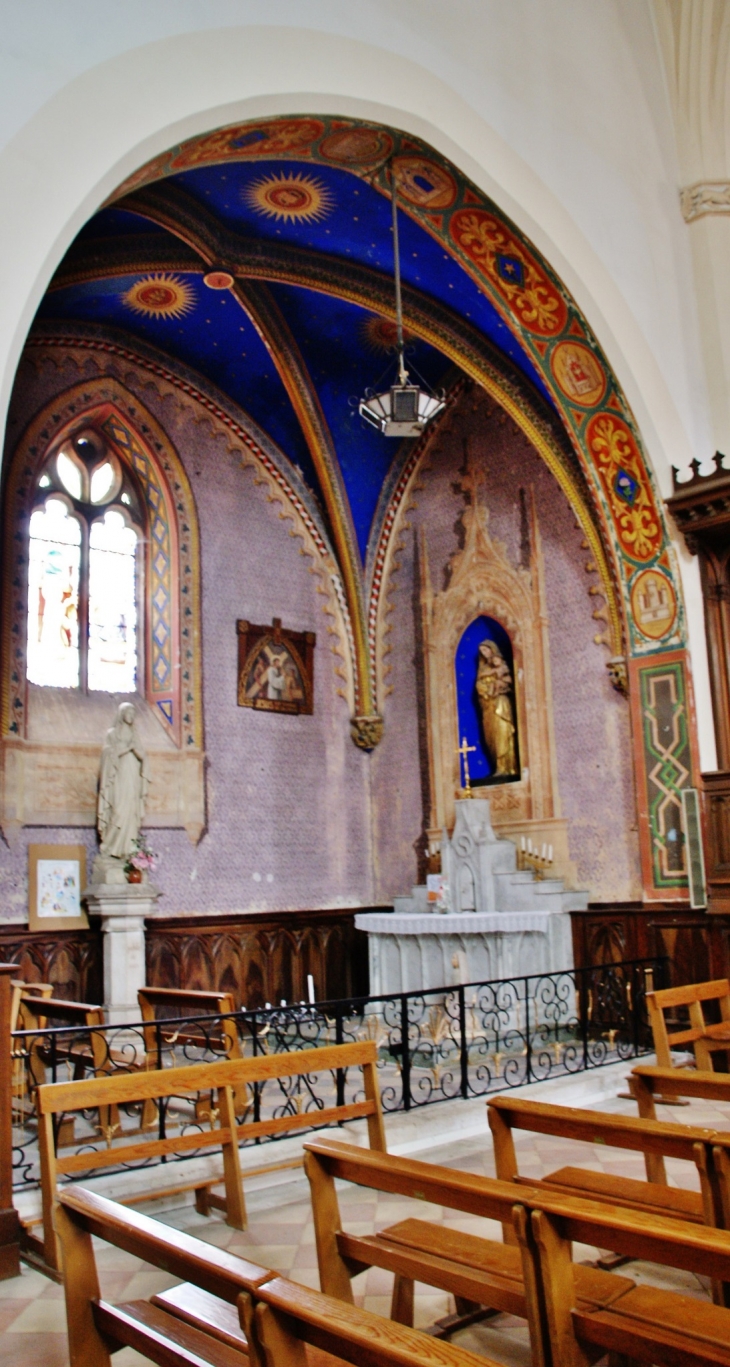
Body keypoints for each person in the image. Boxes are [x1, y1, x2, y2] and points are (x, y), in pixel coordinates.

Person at [97, 702, 150, 859]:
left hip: (133, 775)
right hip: (118, 776)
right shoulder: (112, 733)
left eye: (134, 713)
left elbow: (143, 756)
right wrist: (128, 748)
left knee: (131, 811)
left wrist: (137, 750)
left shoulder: (135, 734)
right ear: (122, 714)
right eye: (129, 713)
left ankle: (129, 851)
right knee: (118, 810)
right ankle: (110, 847)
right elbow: (107, 754)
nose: (131, 716)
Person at [475, 639, 518, 777]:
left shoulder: (502, 666)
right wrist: (485, 690)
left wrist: (496, 685)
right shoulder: (482, 669)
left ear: (493, 650)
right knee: (491, 737)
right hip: (488, 707)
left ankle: (507, 767)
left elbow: (508, 682)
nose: (485, 653)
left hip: (501, 703)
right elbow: (479, 686)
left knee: (503, 733)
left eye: (486, 650)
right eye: (482, 651)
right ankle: (497, 766)